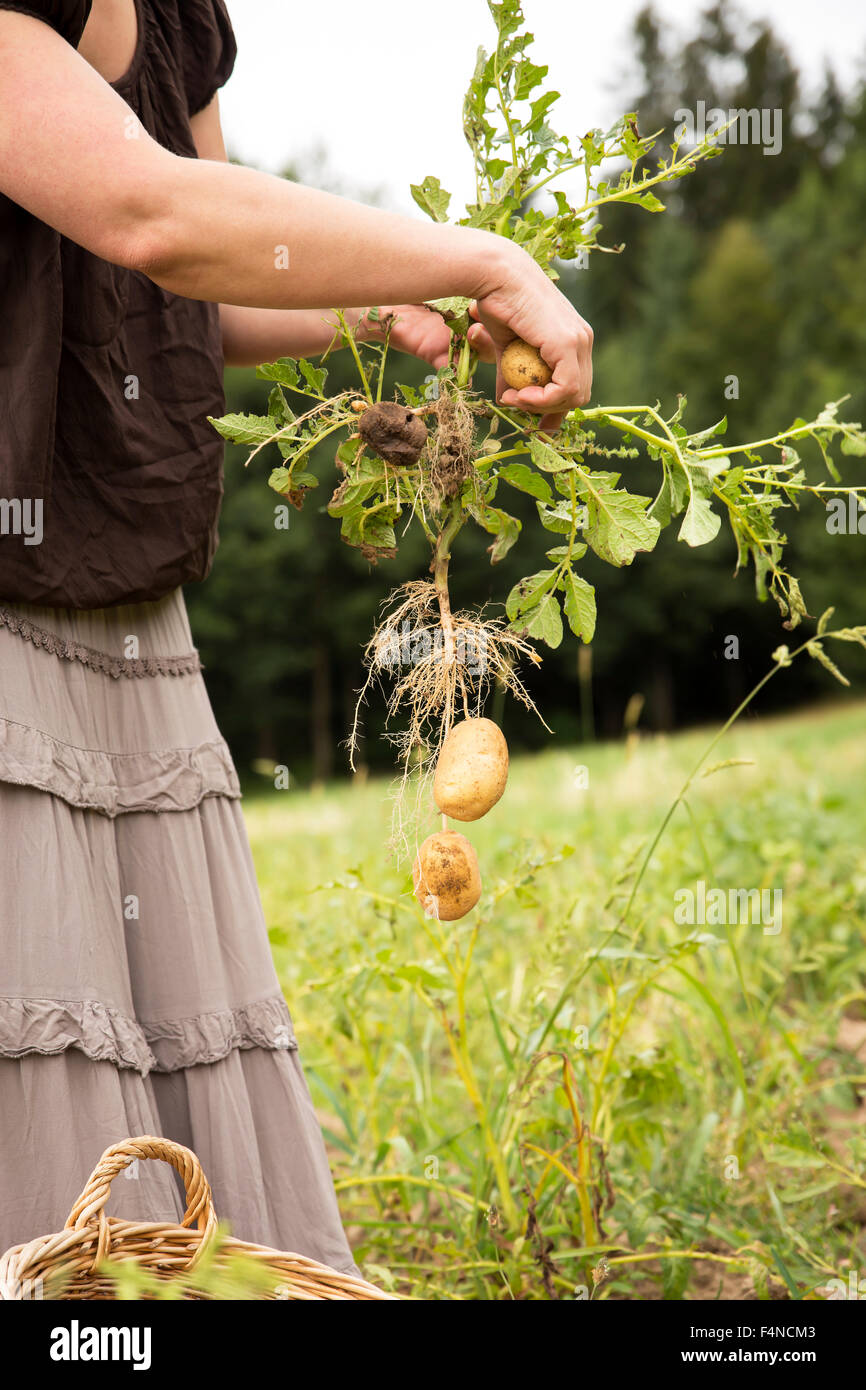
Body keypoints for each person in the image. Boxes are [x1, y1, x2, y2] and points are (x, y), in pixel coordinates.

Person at [0, 0, 593, 1272]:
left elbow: (192, 284)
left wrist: (388, 311)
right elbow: (148, 211)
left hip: (117, 585)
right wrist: (478, 255)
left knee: (151, 1061)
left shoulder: (174, 14)